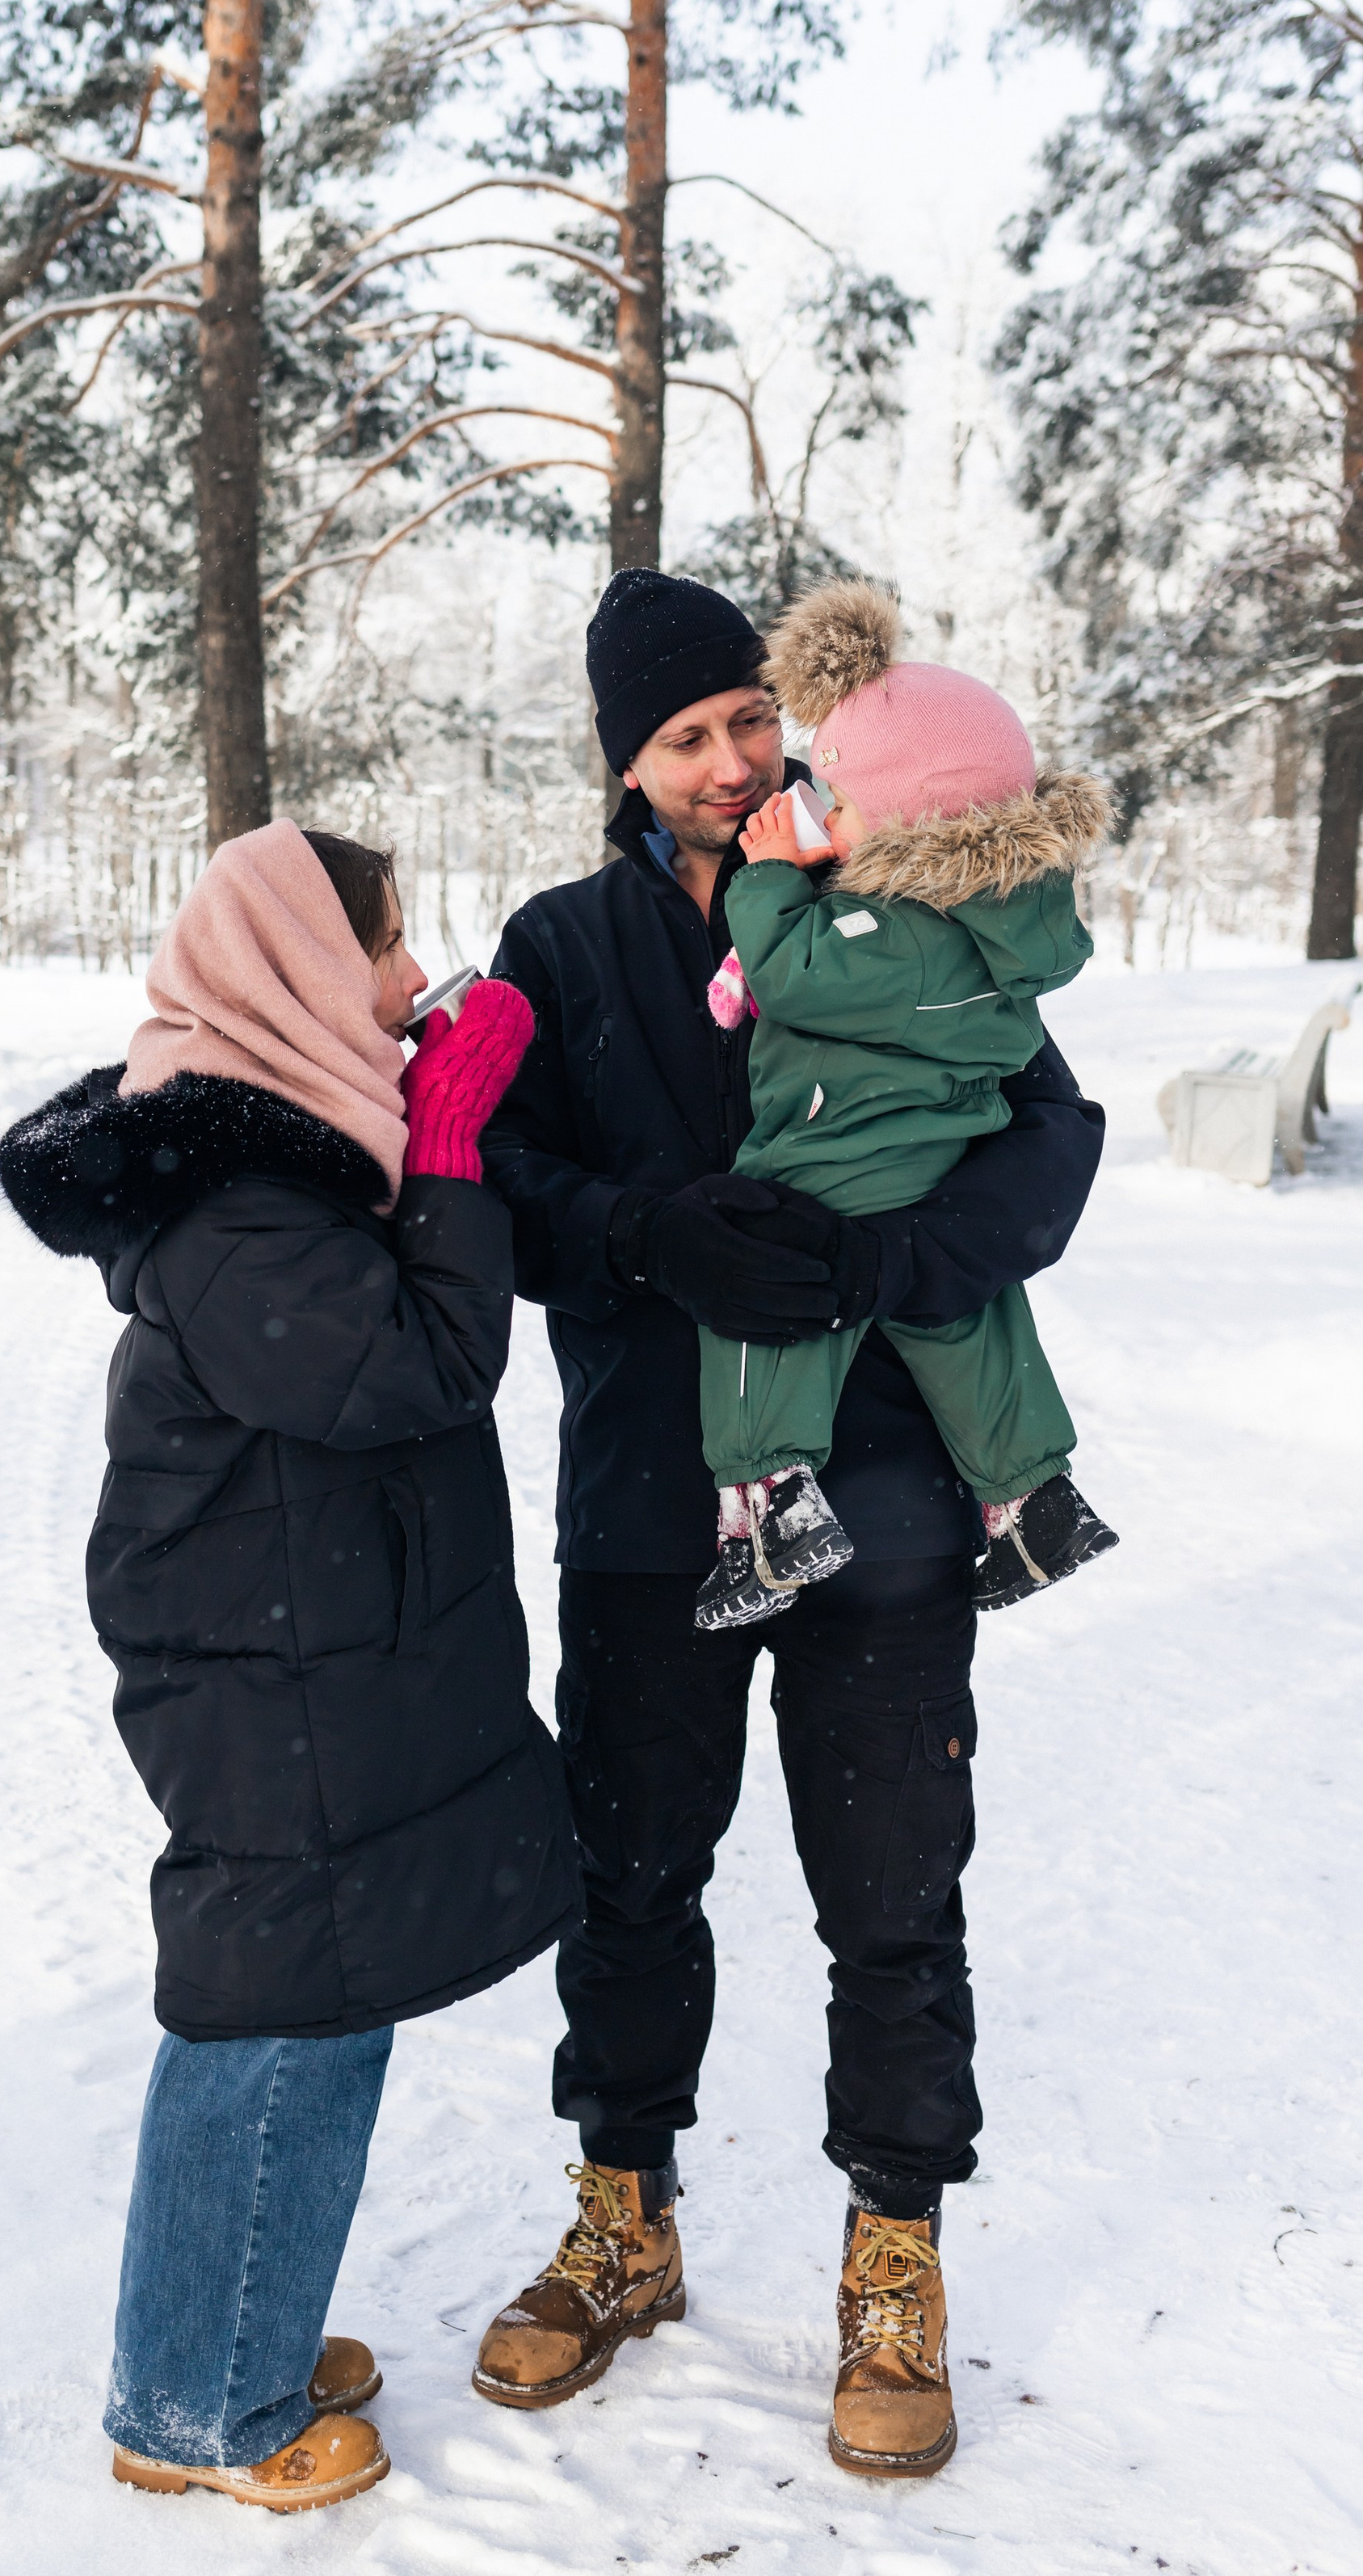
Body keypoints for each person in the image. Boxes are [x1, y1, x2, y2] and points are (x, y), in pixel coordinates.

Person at [469, 567, 1104, 2481]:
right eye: (688, 739)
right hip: (653, 1499)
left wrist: (878, 1255)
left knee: (890, 1896)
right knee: (631, 1878)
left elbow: (1047, 1143)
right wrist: (638, 1233)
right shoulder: (560, 945)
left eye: (753, 718)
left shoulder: (903, 876)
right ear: (626, 766)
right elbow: (484, 1174)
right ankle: (622, 2219)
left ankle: (892, 2260)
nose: (736, 760)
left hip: (891, 1479)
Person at [0, 819, 576, 2516]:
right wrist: (455, 1142)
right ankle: (195, 2405)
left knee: (313, 1994)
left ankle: (222, 2326)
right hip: (270, 1661)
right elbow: (412, 1366)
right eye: (384, 950)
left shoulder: (279, 1145)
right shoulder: (234, 1194)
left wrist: (437, 1138)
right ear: (297, 971)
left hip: (306, 1634)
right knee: (275, 2013)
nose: (407, 985)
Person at [696, 580, 1119, 1629]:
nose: (818, 813)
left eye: (836, 801)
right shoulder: (999, 925)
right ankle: (1032, 1499)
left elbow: (796, 974)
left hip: (833, 1162)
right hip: (943, 1168)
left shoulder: (895, 931)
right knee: (967, 1316)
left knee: (760, 1308)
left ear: (903, 818)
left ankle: (773, 1509)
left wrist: (764, 877)